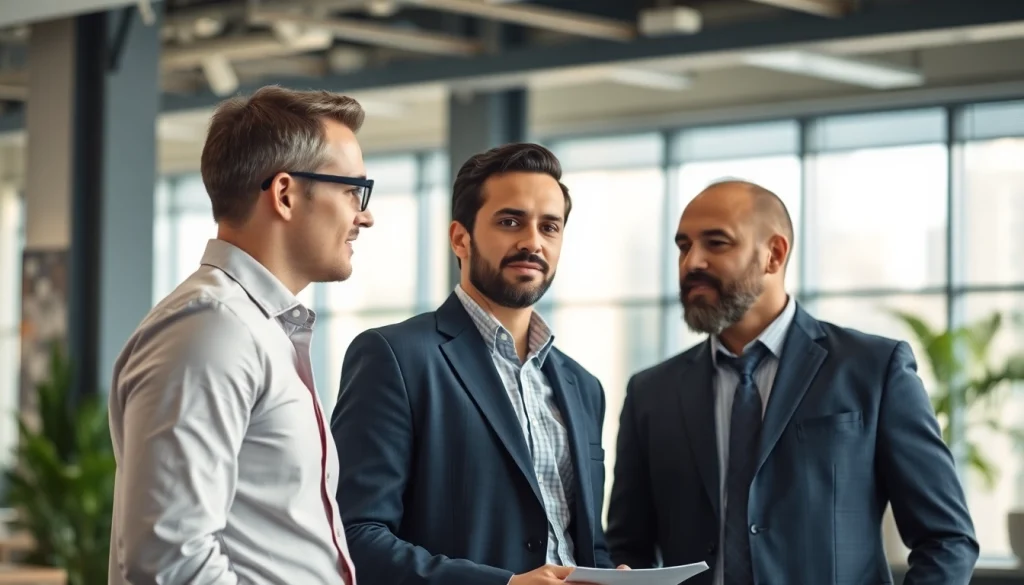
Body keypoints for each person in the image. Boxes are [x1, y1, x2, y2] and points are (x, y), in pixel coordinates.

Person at [605, 179, 978, 585]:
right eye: (683, 246)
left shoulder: (873, 370)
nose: (692, 262)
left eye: (716, 243)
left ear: (774, 254)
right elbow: (627, 549)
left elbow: (947, 539)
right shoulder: (650, 393)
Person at [107, 86, 375, 585]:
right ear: (285, 194)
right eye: (352, 190)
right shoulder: (212, 328)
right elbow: (171, 561)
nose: (365, 215)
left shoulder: (254, 325)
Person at [331, 142, 619, 585]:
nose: (532, 242)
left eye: (549, 227)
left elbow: (584, 543)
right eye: (510, 222)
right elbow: (355, 536)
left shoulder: (583, 386)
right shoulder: (395, 358)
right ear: (460, 238)